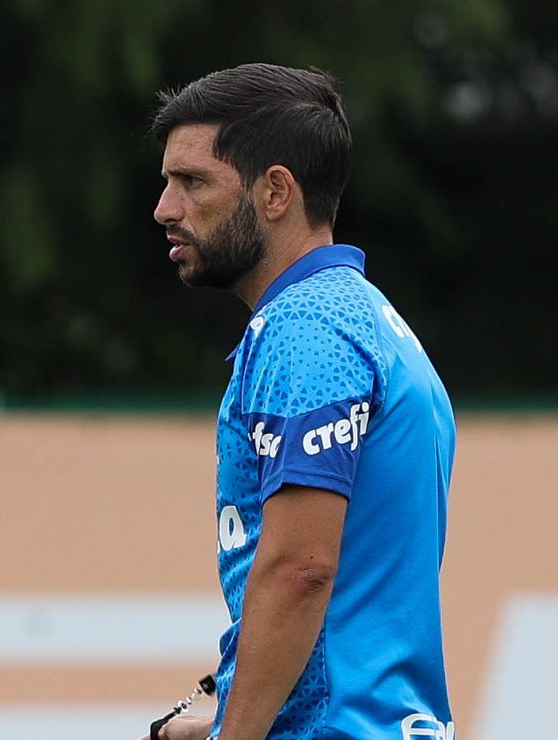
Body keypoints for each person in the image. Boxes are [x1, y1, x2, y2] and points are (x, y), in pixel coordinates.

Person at [144, 64, 456, 740]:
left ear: (276, 191)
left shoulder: (308, 329)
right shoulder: (363, 315)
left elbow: (302, 569)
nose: (165, 208)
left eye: (192, 182)